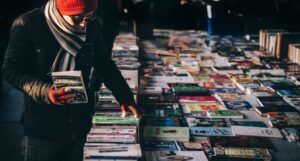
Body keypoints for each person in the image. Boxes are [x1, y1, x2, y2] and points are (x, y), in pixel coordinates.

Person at [2, 0, 139, 161]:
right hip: (42, 128)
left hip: (79, 124)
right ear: (61, 9)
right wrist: (46, 91)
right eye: (76, 18)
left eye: (88, 17)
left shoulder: (92, 26)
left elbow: (103, 62)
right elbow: (11, 70)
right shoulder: (28, 24)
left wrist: (124, 96)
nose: (82, 25)